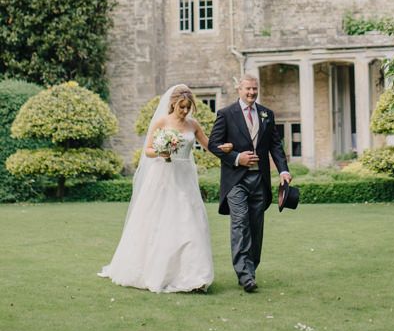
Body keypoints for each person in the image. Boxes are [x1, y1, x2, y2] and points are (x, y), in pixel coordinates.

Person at [99, 84, 232, 293]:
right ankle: (158, 272)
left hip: (185, 177)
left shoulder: (193, 125)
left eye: (188, 107)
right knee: (160, 222)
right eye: (182, 107)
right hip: (163, 176)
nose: (185, 111)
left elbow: (209, 146)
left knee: (191, 223)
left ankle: (195, 277)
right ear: (173, 103)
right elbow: (148, 150)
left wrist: (224, 149)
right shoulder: (162, 121)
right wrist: (161, 152)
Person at [208, 74, 292, 293]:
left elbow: (275, 145)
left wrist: (283, 170)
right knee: (240, 224)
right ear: (239, 89)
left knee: (256, 227)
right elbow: (213, 144)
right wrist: (237, 158)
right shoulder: (226, 114)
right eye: (248, 89)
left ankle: (251, 269)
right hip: (236, 180)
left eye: (255, 89)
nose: (252, 93)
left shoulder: (267, 114)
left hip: (259, 180)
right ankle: (244, 274)